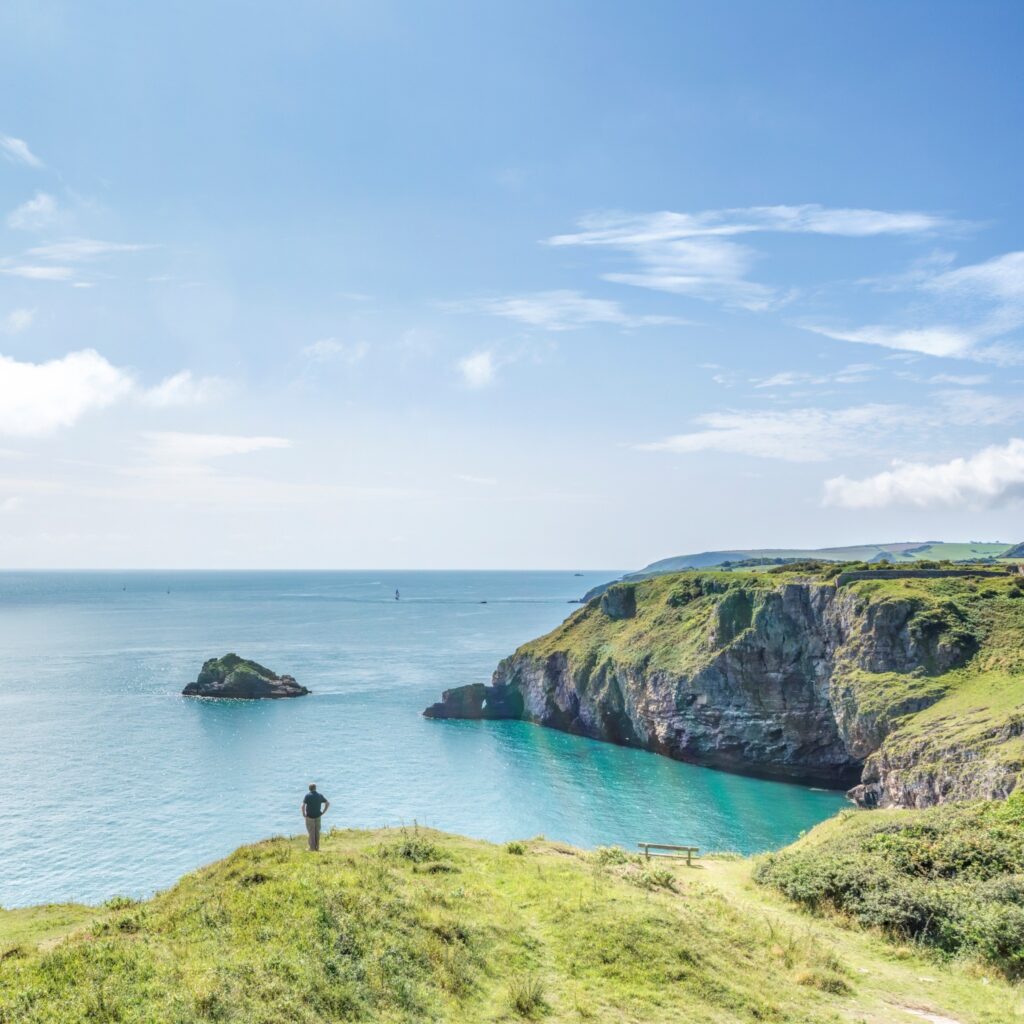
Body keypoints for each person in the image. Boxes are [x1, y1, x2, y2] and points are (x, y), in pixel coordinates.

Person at [301, 783, 329, 851]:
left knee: (311, 832)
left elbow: (303, 806)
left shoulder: (307, 796)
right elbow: (327, 803)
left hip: (309, 817)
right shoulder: (319, 795)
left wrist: (304, 814)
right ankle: (317, 847)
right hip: (318, 816)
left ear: (309, 788)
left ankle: (312, 848)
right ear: (315, 788)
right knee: (317, 832)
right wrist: (323, 812)